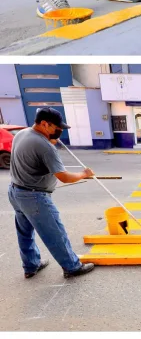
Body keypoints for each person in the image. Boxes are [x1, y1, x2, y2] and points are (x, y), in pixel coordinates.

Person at [7, 108, 96, 279]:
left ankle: (31, 265)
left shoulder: (23, 134)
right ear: (44, 124)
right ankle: (72, 266)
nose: (59, 132)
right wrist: (84, 174)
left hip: (16, 192)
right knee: (55, 232)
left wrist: (49, 140)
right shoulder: (44, 146)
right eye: (57, 128)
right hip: (34, 197)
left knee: (24, 232)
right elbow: (64, 177)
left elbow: (31, 156)